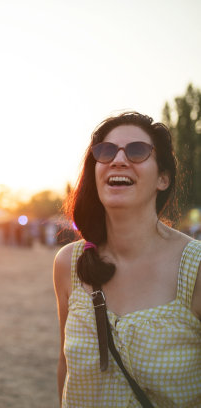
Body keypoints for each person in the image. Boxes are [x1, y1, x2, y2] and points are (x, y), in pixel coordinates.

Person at [53, 111, 201, 406]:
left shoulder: (195, 268)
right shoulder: (68, 262)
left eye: (137, 151)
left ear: (162, 178)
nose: (118, 160)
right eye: (105, 151)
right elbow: (66, 367)